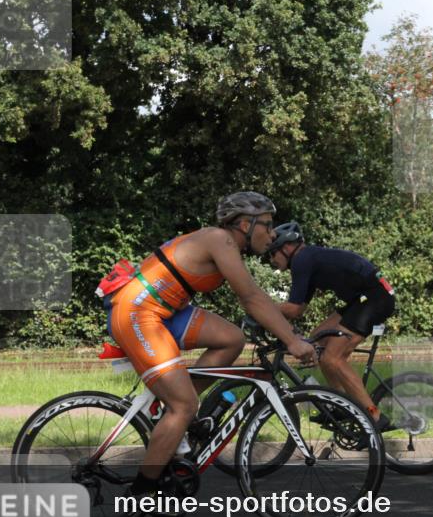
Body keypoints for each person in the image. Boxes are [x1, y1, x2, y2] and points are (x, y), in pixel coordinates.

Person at [104, 192, 315, 499]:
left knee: (231, 340)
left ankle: (177, 417)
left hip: (166, 310)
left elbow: (254, 298)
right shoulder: (220, 240)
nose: (272, 234)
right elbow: (251, 297)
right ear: (244, 223)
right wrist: (292, 340)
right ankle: (144, 493)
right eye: (267, 225)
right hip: (138, 312)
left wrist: (287, 332)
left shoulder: (224, 243)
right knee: (183, 405)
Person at [266, 222, 396, 431]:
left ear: (287, 247)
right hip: (362, 299)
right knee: (317, 339)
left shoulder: (302, 259)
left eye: (273, 254)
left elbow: (290, 309)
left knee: (333, 358)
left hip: (374, 298)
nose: (272, 260)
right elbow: (297, 310)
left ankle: (375, 416)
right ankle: (341, 405)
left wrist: (260, 308)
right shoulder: (306, 259)